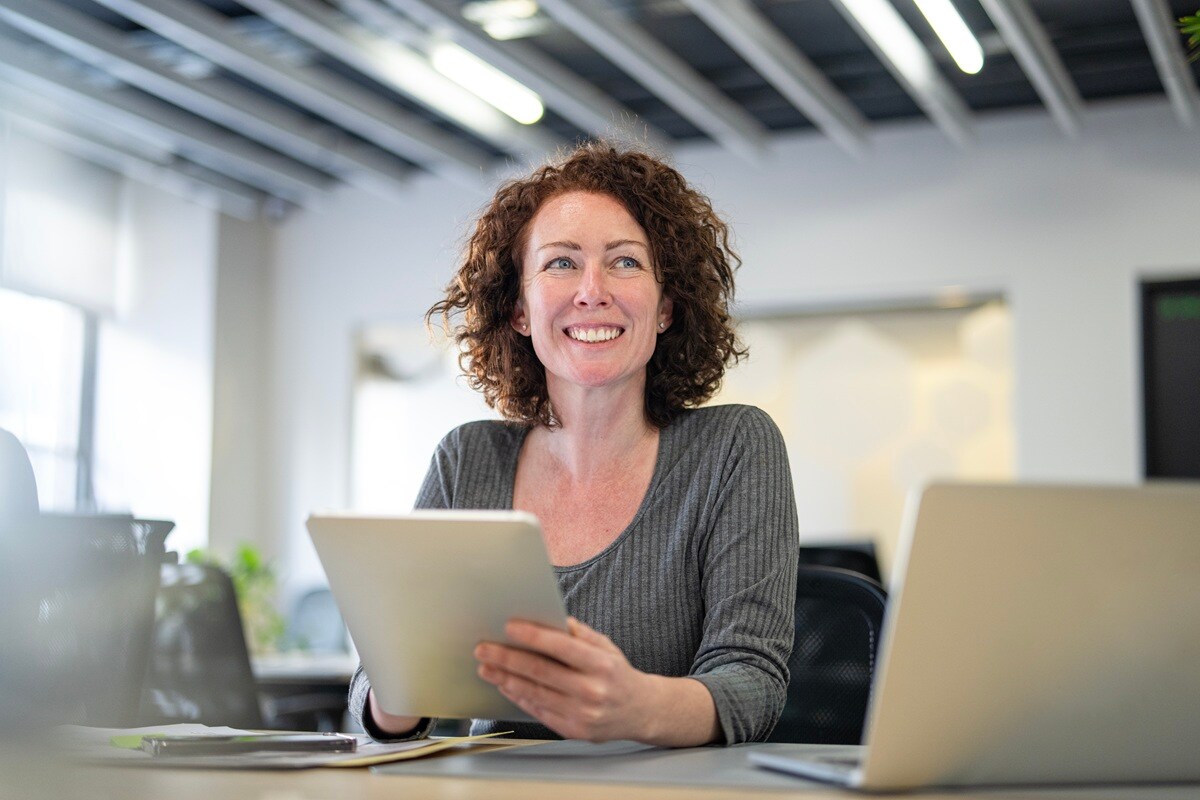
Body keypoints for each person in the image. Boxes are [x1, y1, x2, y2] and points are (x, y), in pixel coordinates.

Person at [349, 142, 798, 747]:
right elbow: (379, 700)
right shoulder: (466, 461)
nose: (593, 290)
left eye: (626, 263)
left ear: (666, 306)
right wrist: (395, 684)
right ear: (519, 311)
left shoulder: (734, 448)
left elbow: (754, 681)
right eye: (561, 263)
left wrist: (636, 707)